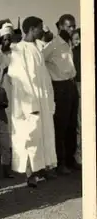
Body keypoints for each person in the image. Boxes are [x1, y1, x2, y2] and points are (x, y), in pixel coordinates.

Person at [7, 16, 58, 187]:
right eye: (39, 28)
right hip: (28, 102)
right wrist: (30, 105)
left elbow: (43, 77)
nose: (42, 31)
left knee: (43, 133)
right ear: (30, 29)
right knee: (29, 135)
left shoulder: (36, 48)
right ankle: (30, 173)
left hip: (41, 98)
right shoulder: (19, 49)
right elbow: (20, 79)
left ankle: (42, 168)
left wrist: (48, 100)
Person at [42, 14, 80, 173]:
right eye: (69, 26)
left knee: (72, 125)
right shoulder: (53, 45)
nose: (72, 29)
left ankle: (71, 160)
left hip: (71, 86)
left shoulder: (68, 44)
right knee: (61, 126)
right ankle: (60, 162)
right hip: (60, 88)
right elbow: (40, 61)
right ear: (60, 27)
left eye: (73, 26)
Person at [71, 28, 81, 166]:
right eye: (76, 39)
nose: (79, 42)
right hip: (78, 86)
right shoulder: (72, 53)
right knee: (80, 124)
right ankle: (78, 154)